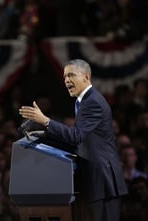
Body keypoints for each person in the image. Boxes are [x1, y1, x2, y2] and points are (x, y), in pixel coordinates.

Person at [19, 59, 128, 221]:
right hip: (95, 182)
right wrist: (41, 135)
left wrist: (46, 121)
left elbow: (76, 136)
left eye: (71, 75)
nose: (66, 80)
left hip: (102, 182)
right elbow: (79, 140)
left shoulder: (92, 102)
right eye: (64, 77)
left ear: (86, 77)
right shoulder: (83, 101)